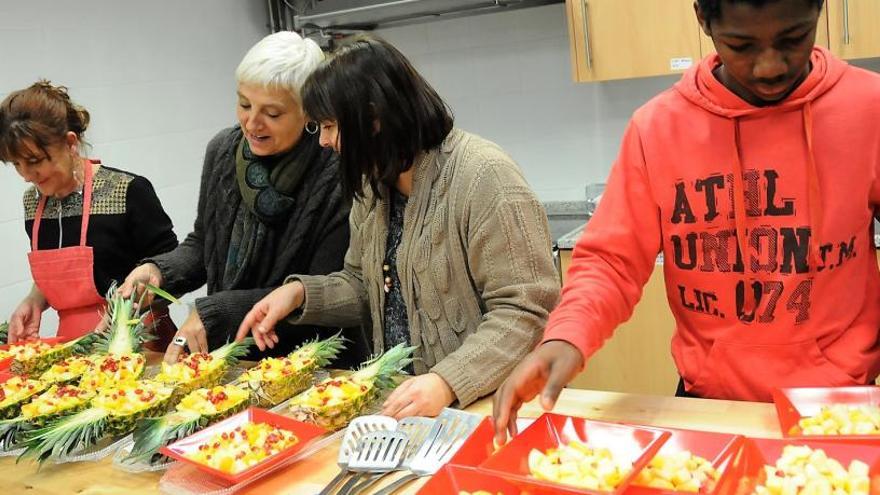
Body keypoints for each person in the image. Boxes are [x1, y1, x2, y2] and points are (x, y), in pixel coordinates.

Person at [493, 0, 880, 443]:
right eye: (742, 45)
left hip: (840, 408)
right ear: (703, 18)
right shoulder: (656, 128)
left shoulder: (869, 107)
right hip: (707, 404)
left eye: (793, 38)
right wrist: (567, 336)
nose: (770, 66)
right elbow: (611, 261)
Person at [235, 34, 560, 418]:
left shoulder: (484, 174)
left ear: (373, 119)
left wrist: (446, 381)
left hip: (485, 408)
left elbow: (526, 309)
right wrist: (299, 295)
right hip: (404, 409)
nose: (323, 141)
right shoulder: (373, 182)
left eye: (329, 126)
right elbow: (361, 284)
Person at [120, 31, 371, 367]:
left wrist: (215, 312)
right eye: (244, 104)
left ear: (309, 112)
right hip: (233, 357)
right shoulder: (223, 151)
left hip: (315, 364)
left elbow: (324, 287)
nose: (252, 123)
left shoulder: (338, 169)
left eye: (273, 113)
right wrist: (159, 271)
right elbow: (204, 243)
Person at [0, 80, 178, 345]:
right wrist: (34, 300)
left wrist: (133, 303)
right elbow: (61, 274)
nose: (26, 175)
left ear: (70, 143)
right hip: (73, 348)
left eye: (35, 161)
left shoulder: (128, 190)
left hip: (140, 342)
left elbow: (173, 266)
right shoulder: (33, 203)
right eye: (17, 164)